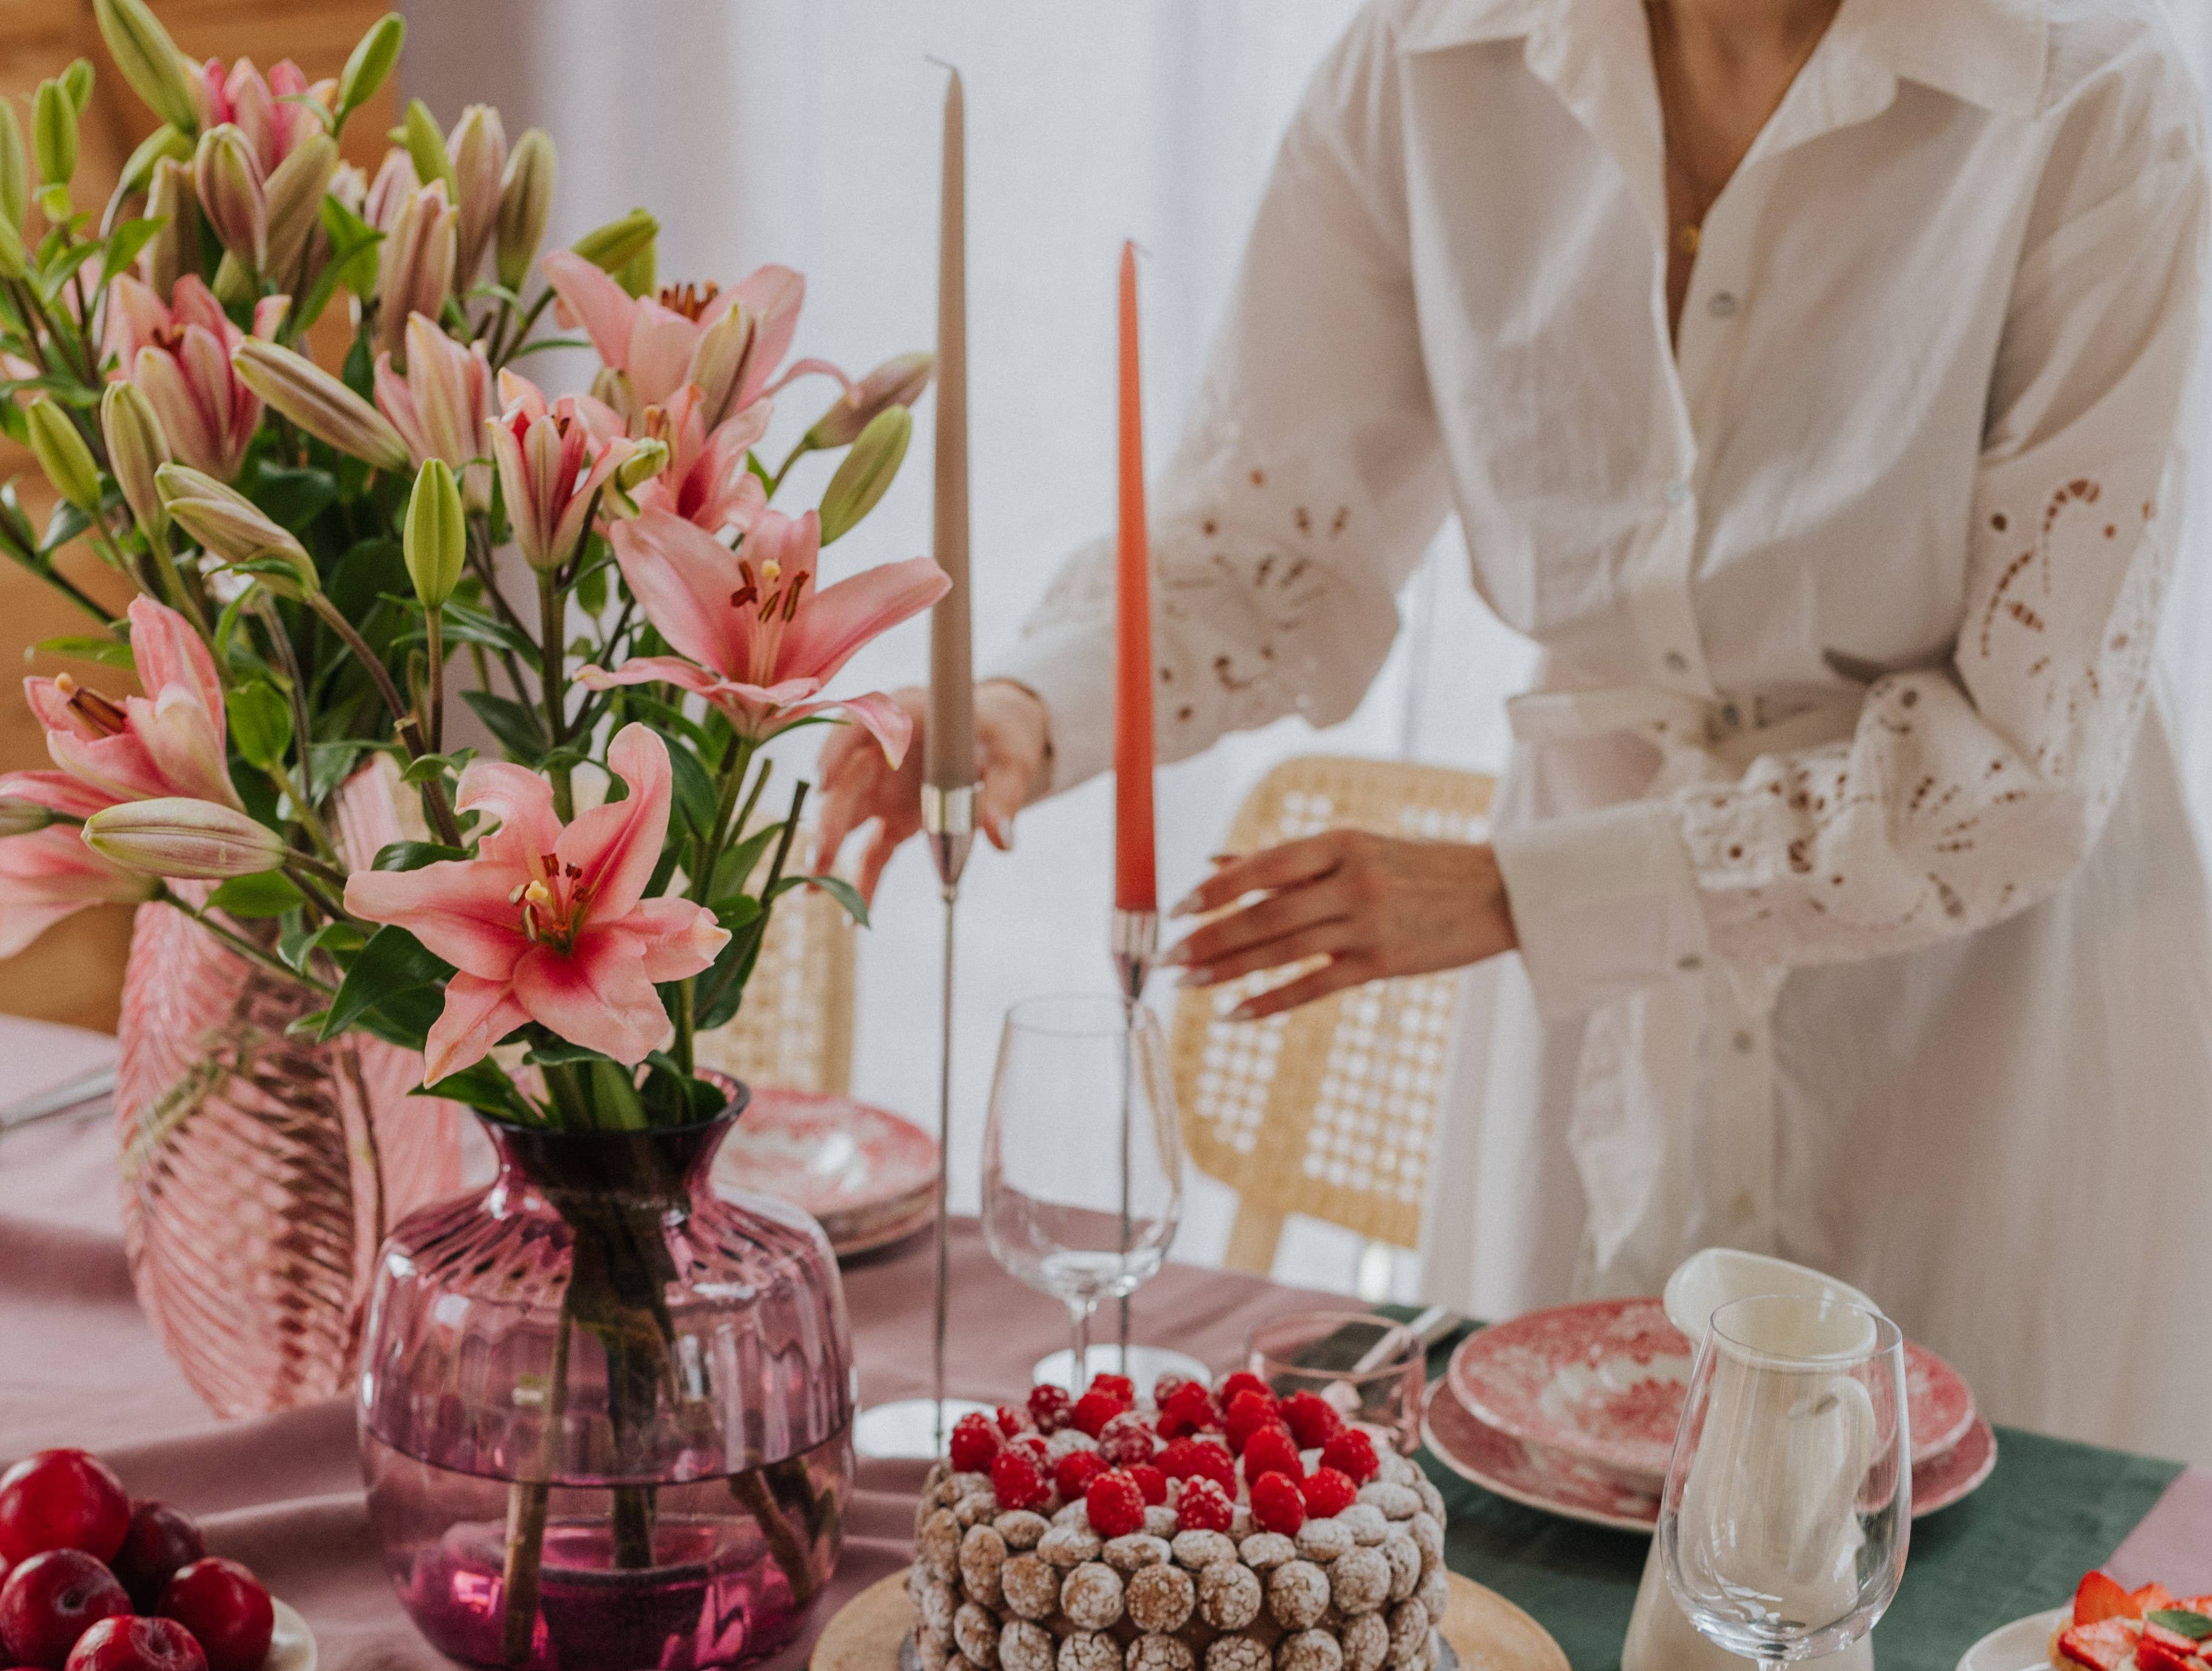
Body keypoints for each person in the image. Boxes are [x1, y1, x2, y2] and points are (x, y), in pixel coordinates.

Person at [816, 0, 2212, 1465]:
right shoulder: (1429, 53)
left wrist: (1523, 894)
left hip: (1980, 1025)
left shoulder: (2085, 92)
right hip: (1586, 1016)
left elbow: (2022, 768)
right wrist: (1030, 706)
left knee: (1959, 1555)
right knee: (1551, 1536)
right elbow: (1270, 532)